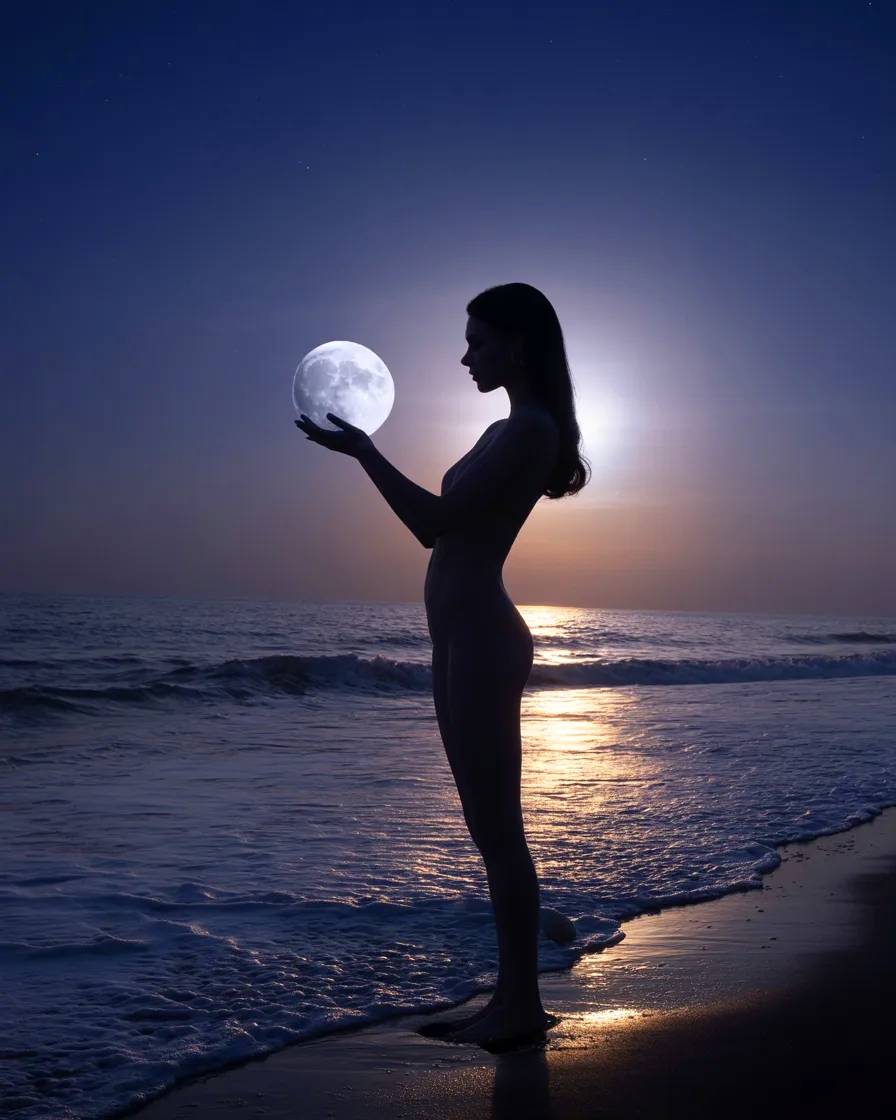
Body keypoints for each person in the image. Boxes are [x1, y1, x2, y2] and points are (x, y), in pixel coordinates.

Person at [295, 282, 590, 1051]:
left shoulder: (530, 431)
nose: (466, 356)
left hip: (485, 641)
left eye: (479, 342)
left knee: (500, 832)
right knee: (484, 828)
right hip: (457, 640)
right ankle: (513, 991)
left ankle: (520, 1005)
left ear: (517, 345)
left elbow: (433, 525)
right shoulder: (506, 428)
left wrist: (364, 452)